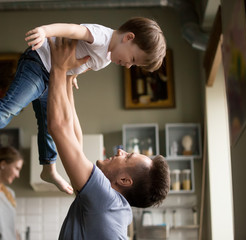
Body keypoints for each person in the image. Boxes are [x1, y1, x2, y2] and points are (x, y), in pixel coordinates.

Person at [0, 16, 166, 195]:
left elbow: (83, 62)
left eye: (134, 65)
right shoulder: (102, 36)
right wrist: (44, 31)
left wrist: (73, 74)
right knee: (11, 106)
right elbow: (71, 29)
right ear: (128, 38)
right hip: (38, 63)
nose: (128, 65)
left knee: (48, 125)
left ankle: (48, 169)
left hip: (53, 78)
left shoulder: (106, 58)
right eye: (132, 59)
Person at [46, 37, 170, 239]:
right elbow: (75, 143)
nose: (120, 151)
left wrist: (59, 68)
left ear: (124, 180)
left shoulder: (105, 200)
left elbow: (58, 127)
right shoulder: (113, 206)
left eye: (127, 156)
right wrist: (68, 79)